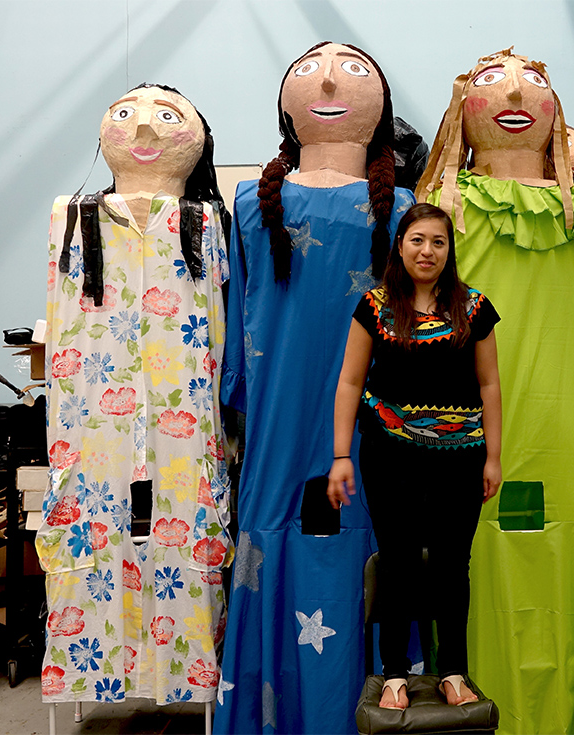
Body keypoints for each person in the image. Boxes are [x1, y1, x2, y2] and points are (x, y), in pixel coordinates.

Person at [416, 48, 574, 733]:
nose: (514, 91)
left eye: (533, 81)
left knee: (556, 537)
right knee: (474, 553)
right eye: (490, 81)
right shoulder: (445, 207)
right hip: (468, 436)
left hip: (565, 434)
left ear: (555, 112)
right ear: (463, 110)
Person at [214, 43, 414, 734]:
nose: (329, 77)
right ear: (285, 104)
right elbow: (239, 316)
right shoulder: (246, 204)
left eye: (353, 67)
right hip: (279, 422)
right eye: (312, 67)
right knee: (275, 537)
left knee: (374, 543)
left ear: (382, 103)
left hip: (379, 427)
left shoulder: (406, 209)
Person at [39, 84, 232, 706]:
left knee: (189, 524)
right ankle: (88, 672)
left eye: (165, 116)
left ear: (196, 136)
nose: (145, 130)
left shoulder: (207, 223)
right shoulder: (70, 216)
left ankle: (184, 676)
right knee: (87, 531)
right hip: (93, 401)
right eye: (127, 114)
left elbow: (222, 324)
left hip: (186, 400)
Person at [327, 202, 502, 711]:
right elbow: (350, 382)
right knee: (399, 562)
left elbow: (489, 384)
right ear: (400, 246)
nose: (428, 251)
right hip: (389, 456)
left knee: (453, 564)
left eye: (439, 242)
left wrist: (493, 456)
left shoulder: (474, 308)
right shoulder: (374, 306)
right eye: (418, 240)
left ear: (450, 251)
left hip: (461, 458)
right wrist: (341, 456)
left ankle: (453, 672)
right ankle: (394, 675)